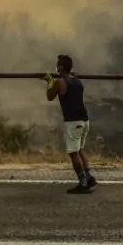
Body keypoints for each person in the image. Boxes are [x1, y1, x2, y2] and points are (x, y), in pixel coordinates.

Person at [44, 54, 97, 194]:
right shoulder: (77, 80)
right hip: (85, 120)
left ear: (60, 67)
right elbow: (72, 79)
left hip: (73, 122)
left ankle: (83, 183)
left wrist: (50, 81)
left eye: (57, 65)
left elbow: (50, 96)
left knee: (74, 153)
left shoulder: (60, 82)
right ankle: (89, 177)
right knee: (79, 150)